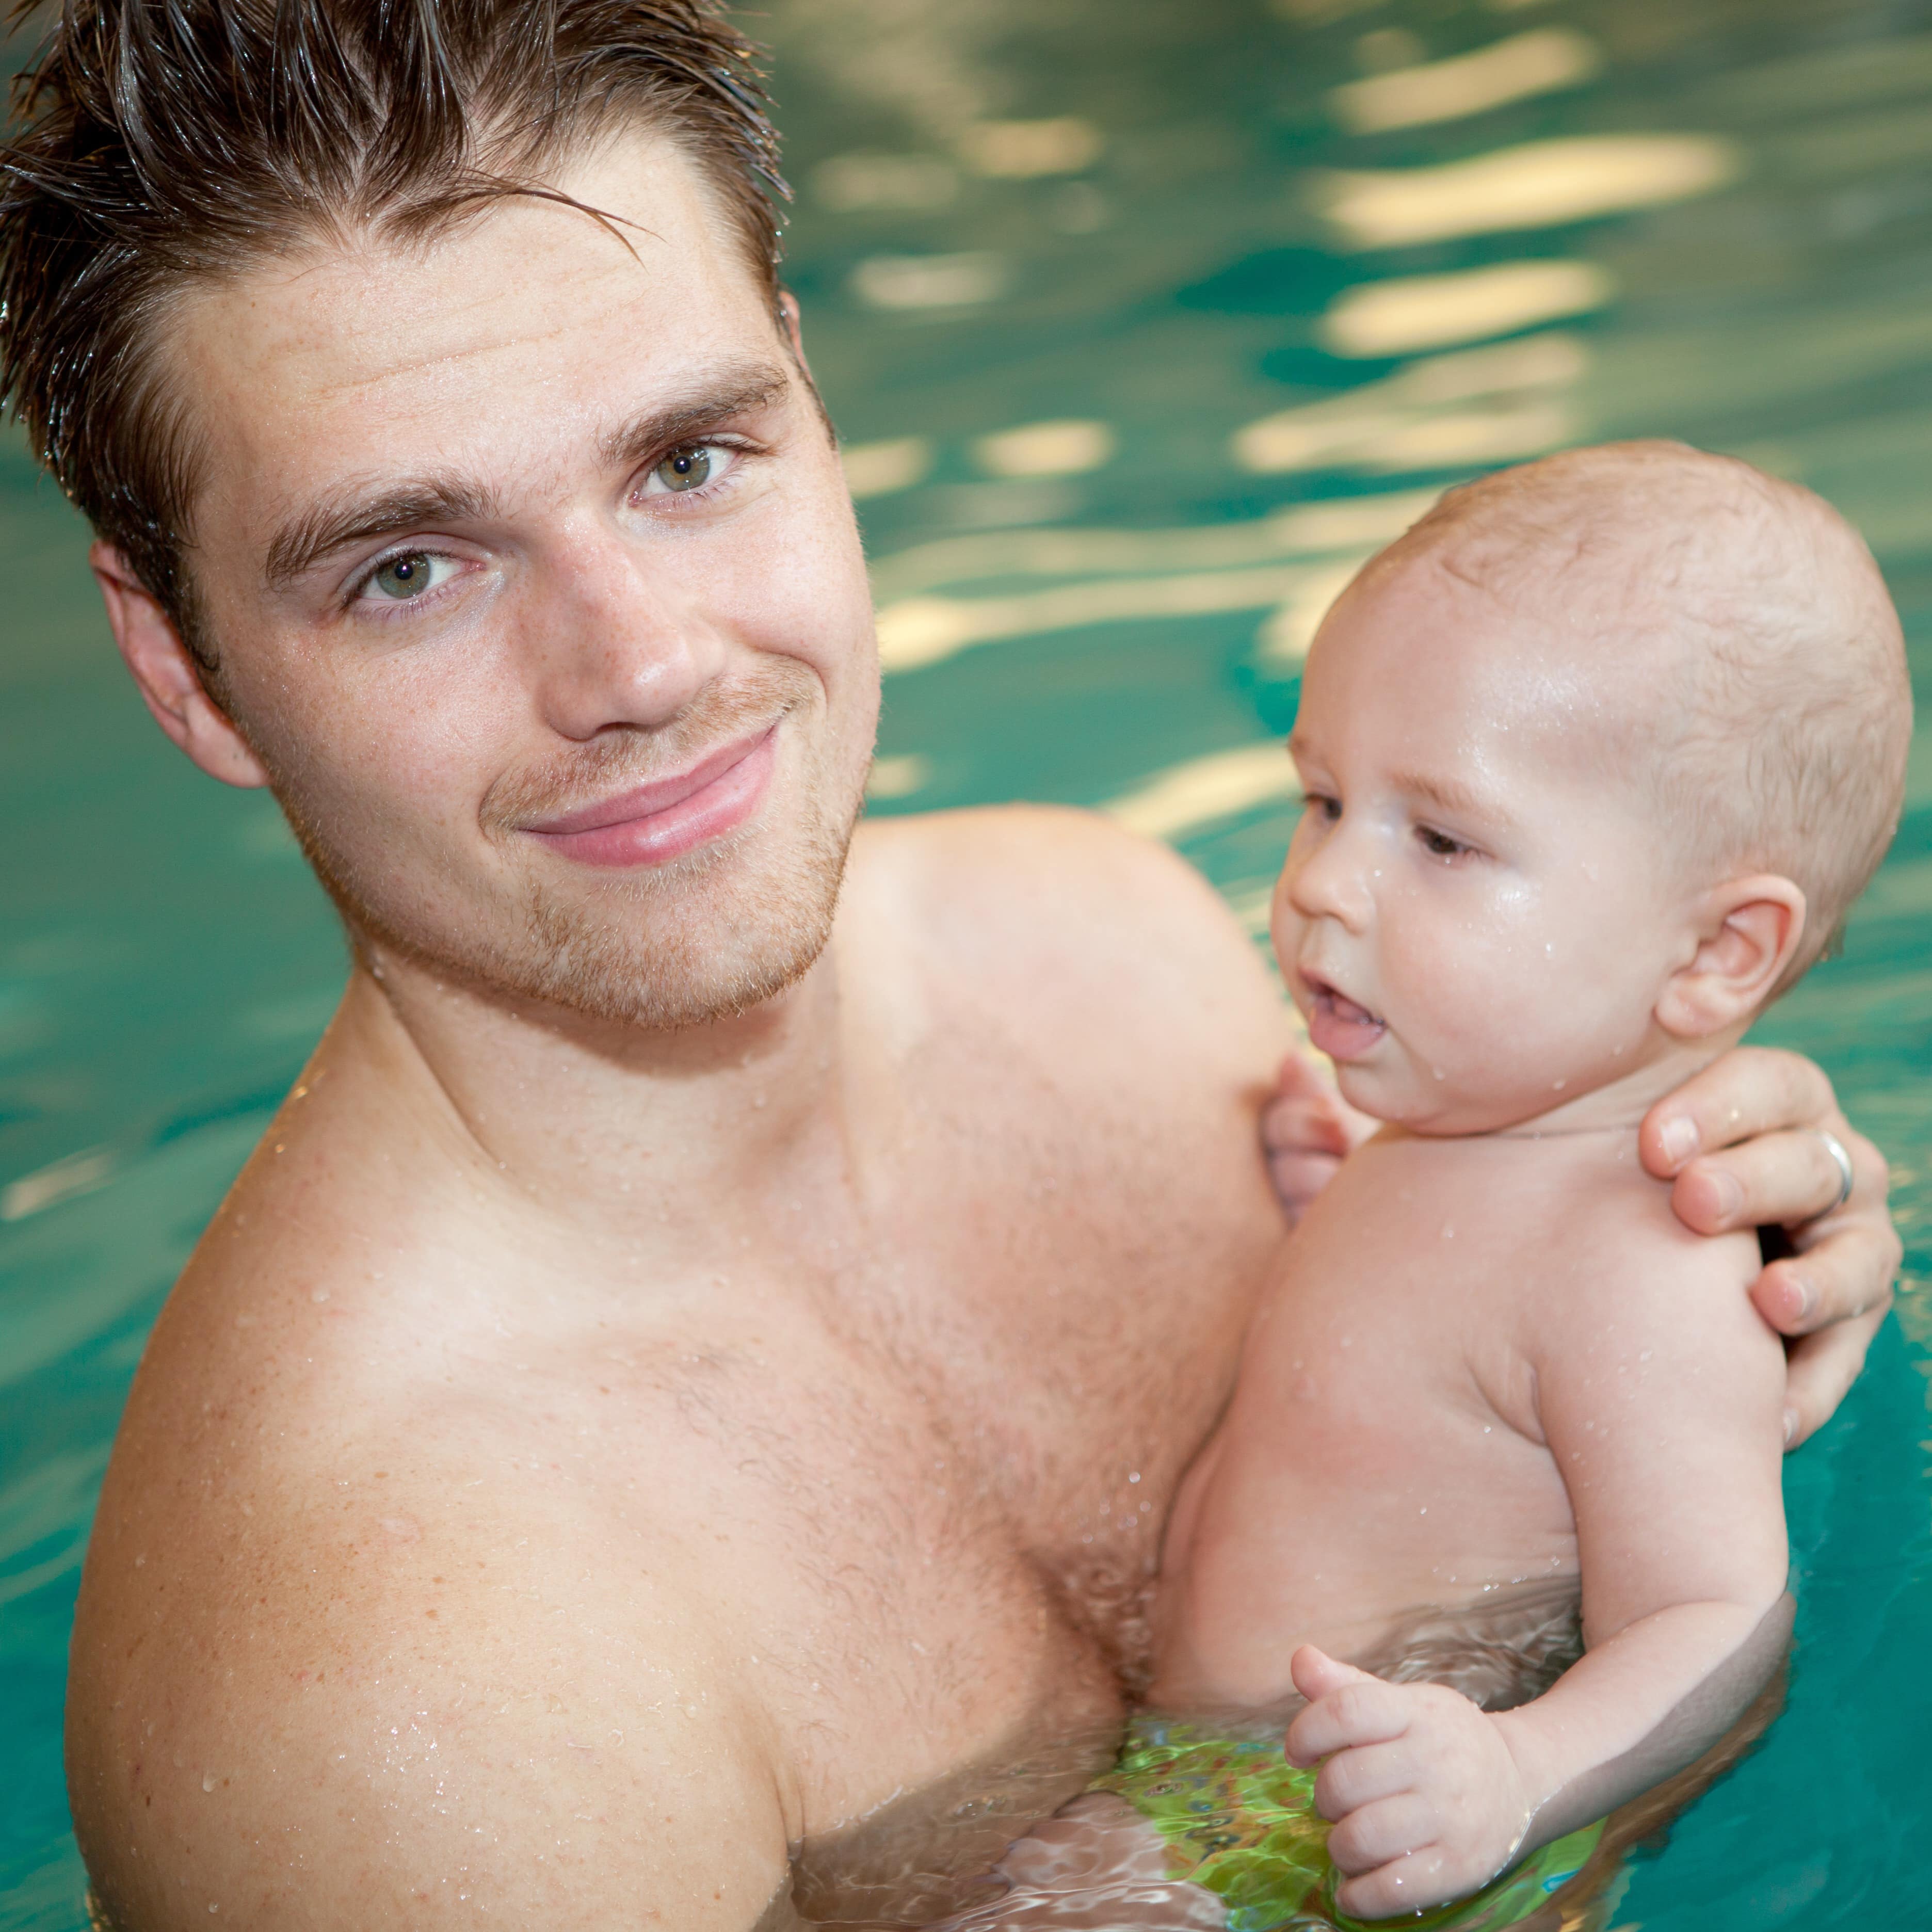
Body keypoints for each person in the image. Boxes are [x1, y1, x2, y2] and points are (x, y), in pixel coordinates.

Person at [0, 6, 1898, 1927]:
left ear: (809, 400)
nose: (641, 666)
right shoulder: (396, 1724)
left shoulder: (1119, 951)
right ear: (179, 669)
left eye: (689, 459)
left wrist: (1672, 1159)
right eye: (410, 568)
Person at [942, 444, 1908, 1932]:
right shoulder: (1454, 1131)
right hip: (1215, 1782)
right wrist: (1336, 1213)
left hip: (1344, 1829)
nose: (1325, 882)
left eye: (1442, 838)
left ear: (1719, 954)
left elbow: (1719, 1619)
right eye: (1325, 800)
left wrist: (1515, 1775)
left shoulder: (1642, 1259)